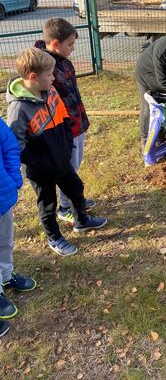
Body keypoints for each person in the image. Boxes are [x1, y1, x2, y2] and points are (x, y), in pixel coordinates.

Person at [7, 48, 108, 257]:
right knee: (48, 204)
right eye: (49, 75)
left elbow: (63, 118)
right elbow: (17, 145)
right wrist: (40, 163)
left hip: (61, 159)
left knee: (75, 187)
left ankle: (82, 221)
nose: (54, 78)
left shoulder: (51, 92)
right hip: (41, 169)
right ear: (34, 77)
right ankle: (54, 237)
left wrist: (67, 144)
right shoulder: (19, 109)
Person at [34, 18, 94, 224]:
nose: (73, 49)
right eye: (70, 45)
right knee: (69, 169)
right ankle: (66, 207)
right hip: (64, 129)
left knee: (76, 165)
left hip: (78, 124)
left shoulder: (64, 62)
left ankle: (75, 199)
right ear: (55, 43)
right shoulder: (44, 69)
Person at [0, 117, 36, 336]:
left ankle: (6, 275)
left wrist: (13, 178)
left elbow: (9, 146)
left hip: (2, 196)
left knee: (5, 242)